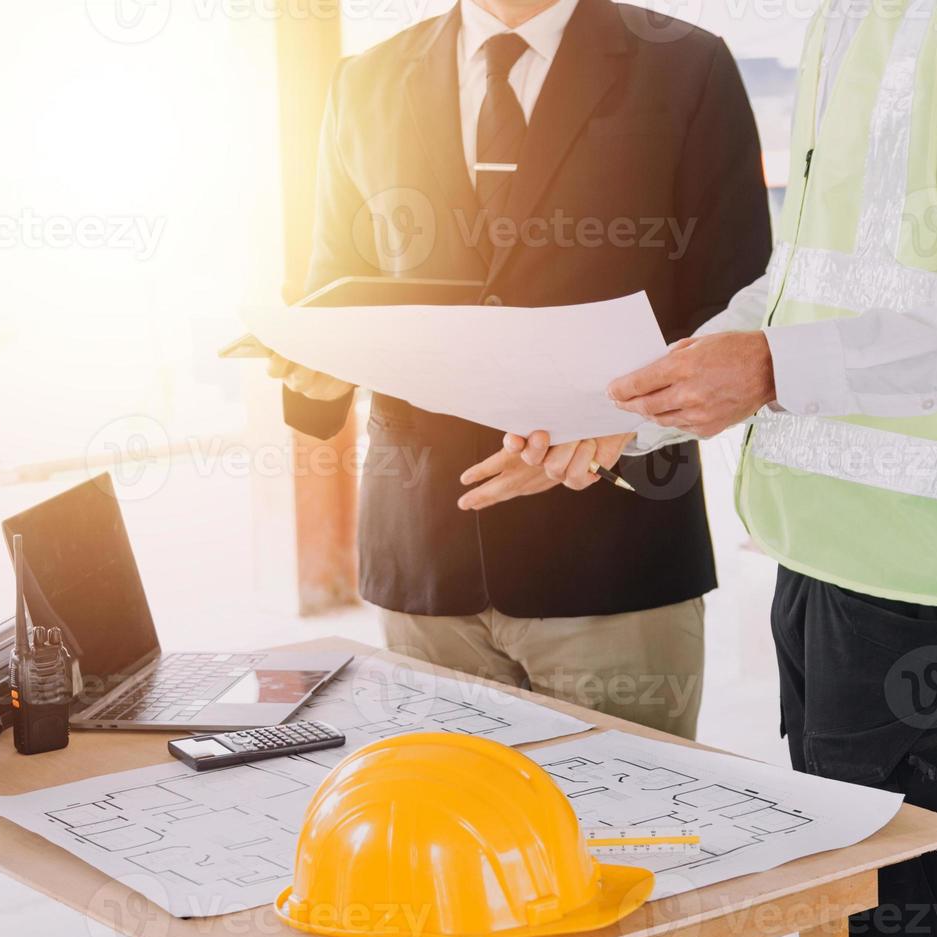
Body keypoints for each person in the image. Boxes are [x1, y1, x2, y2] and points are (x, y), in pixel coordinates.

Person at [478, 0, 937, 937]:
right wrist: (638, 406)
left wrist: (776, 370)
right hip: (823, 563)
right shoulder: (855, 13)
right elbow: (802, 284)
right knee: (849, 933)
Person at [267, 0, 771, 738]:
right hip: (423, 556)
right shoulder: (365, 80)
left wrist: (606, 430)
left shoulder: (684, 64)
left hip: (612, 552)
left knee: (621, 834)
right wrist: (308, 361)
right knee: (445, 834)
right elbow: (335, 285)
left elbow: (733, 305)